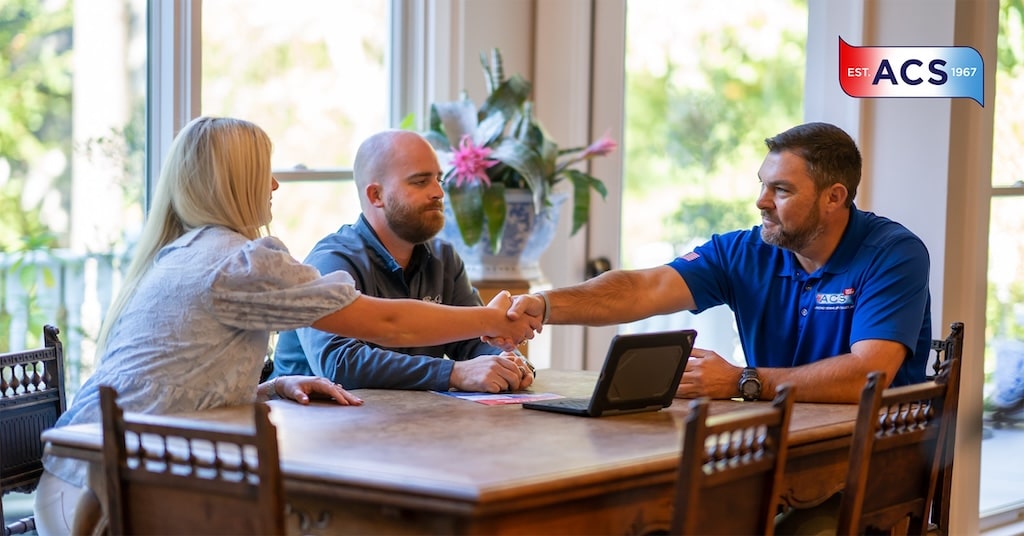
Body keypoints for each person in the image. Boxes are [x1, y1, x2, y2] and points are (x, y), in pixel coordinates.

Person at [34, 116, 539, 535]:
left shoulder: (181, 254)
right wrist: (493, 318)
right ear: (234, 182)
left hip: (75, 476)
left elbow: (168, 381)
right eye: (265, 173)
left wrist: (268, 387)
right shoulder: (243, 263)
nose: (275, 185)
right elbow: (385, 322)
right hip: (107, 501)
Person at [507, 121, 932, 405]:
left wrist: (741, 381)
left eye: (781, 190)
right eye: (763, 185)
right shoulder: (744, 251)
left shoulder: (893, 254)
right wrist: (546, 305)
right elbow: (645, 288)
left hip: (875, 455)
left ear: (834, 197)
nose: (761, 202)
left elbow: (867, 375)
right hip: (777, 437)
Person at [273, 129, 535, 392]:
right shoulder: (331, 262)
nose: (438, 193)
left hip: (402, 424)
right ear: (376, 195)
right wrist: (452, 373)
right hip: (312, 426)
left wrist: (507, 360)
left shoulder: (444, 259)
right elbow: (340, 364)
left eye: (438, 180)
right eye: (420, 182)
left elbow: (474, 340)